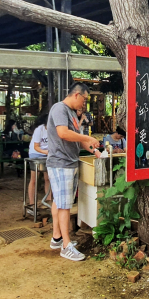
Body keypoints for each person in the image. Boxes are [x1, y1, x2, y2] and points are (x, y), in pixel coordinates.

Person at [47, 83, 101, 261]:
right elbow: (63, 133)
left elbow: (78, 138)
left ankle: (57, 238)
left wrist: (94, 150)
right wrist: (87, 137)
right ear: (76, 95)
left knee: (60, 201)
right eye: (84, 100)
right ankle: (66, 246)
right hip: (60, 163)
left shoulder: (72, 114)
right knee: (64, 205)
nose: (84, 104)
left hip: (70, 162)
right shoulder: (59, 109)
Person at [26, 110, 49, 211]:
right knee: (34, 179)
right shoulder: (39, 130)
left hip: (47, 154)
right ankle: (32, 203)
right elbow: (36, 147)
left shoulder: (55, 130)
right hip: (35, 153)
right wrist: (47, 153)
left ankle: (48, 201)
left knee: (48, 178)